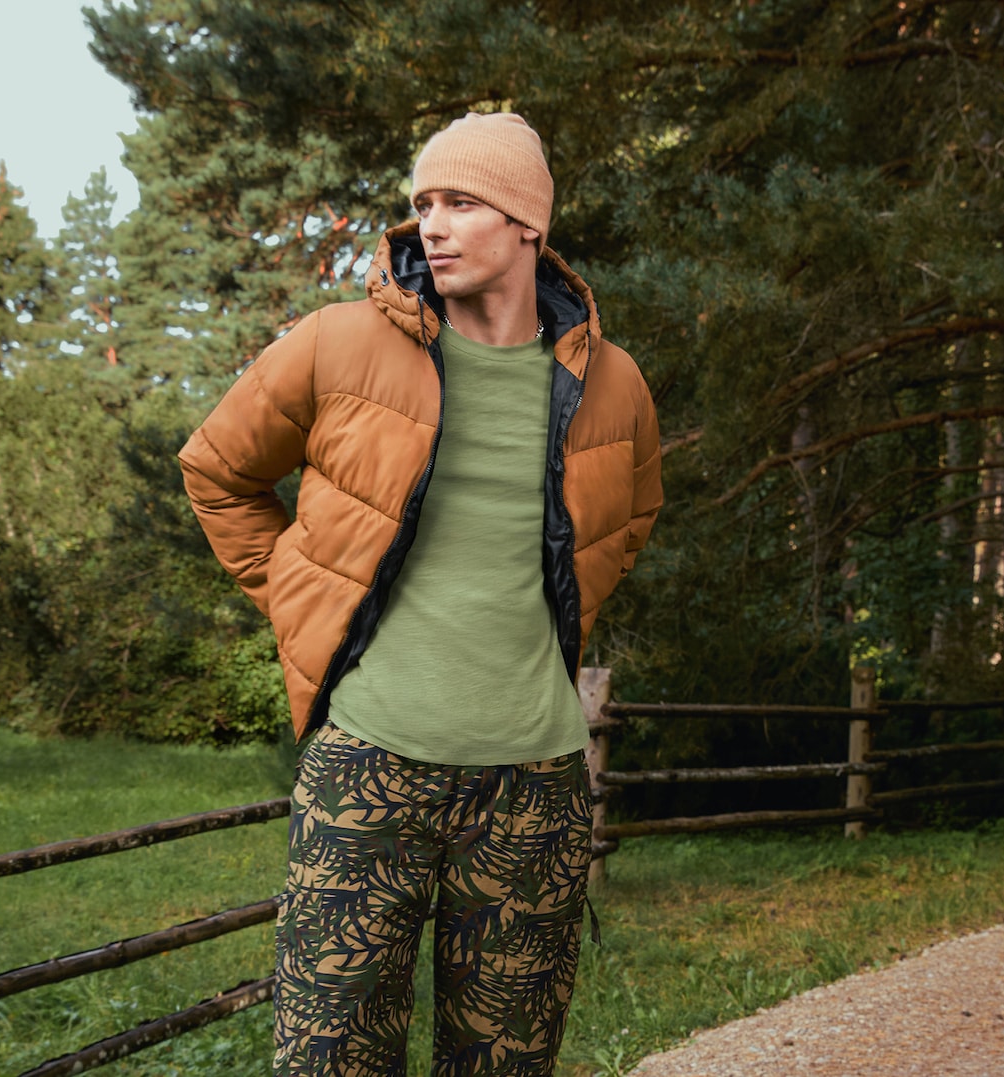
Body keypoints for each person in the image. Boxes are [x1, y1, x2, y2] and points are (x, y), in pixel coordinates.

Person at [180, 111, 663, 1076]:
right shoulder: (337, 343)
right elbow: (217, 470)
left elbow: (630, 517)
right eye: (424, 202)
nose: (431, 225)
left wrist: (544, 633)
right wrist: (302, 598)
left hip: (536, 784)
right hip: (368, 765)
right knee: (328, 1060)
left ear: (528, 224)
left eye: (462, 202)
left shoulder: (612, 382)